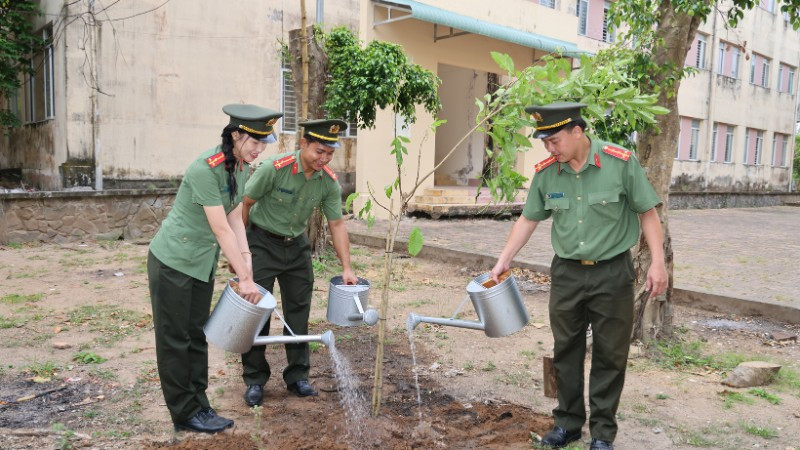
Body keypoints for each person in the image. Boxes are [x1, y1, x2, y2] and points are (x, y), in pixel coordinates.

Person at [490, 102, 668, 450]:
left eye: (554, 140)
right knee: (565, 351)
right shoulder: (547, 173)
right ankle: (568, 424)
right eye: (545, 142)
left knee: (610, 355)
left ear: (577, 131)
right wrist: (503, 261)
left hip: (613, 272)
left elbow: (647, 212)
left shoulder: (620, 162)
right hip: (568, 273)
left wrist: (658, 263)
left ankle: (602, 434)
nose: (549, 148)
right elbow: (529, 219)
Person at [147, 104, 283, 433]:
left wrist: (246, 257)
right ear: (236, 135)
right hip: (174, 263)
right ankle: (184, 412)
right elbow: (220, 229)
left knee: (197, 336)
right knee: (175, 339)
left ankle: (200, 405)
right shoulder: (205, 169)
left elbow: (235, 217)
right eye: (255, 141)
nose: (259, 149)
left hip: (200, 265)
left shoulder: (241, 167)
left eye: (264, 143)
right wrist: (246, 279)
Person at [240, 118, 358, 406]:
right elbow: (244, 205)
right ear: (303, 144)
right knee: (258, 312)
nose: (324, 158)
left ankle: (297, 377)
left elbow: (337, 224)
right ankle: (255, 379)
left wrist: (347, 267)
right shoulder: (274, 170)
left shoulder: (328, 181)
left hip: (296, 249)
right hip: (261, 244)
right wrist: (241, 255)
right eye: (319, 151)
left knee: (298, 314)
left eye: (330, 154)